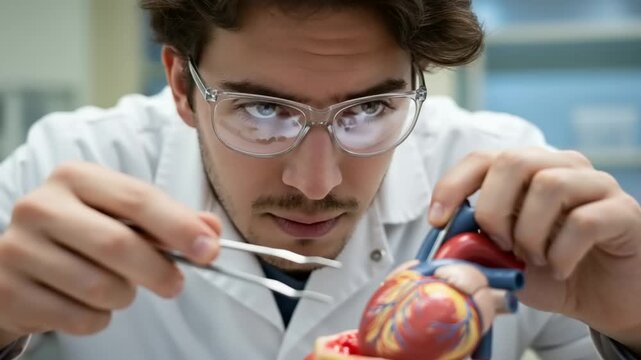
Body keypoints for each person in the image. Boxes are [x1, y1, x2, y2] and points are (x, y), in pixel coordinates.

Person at [0, 1, 640, 359]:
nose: (315, 181)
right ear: (181, 88)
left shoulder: (503, 180)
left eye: (368, 110)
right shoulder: (70, 164)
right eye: (263, 110)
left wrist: (635, 325)